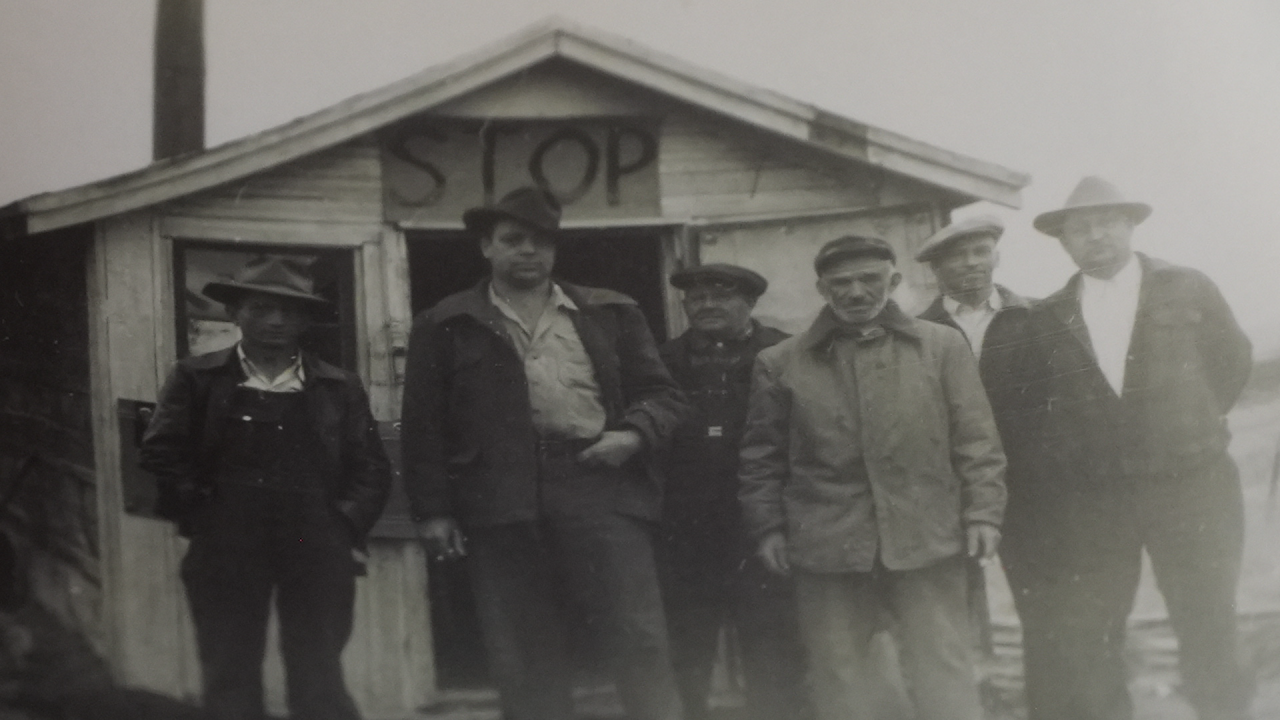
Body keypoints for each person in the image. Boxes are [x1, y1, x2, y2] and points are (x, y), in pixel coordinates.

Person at [400, 187, 690, 720]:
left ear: (555, 251)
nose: (528, 252)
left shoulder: (610, 311)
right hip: (498, 498)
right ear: (486, 247)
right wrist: (434, 510)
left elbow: (664, 395)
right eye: (513, 241)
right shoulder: (444, 323)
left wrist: (632, 436)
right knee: (522, 650)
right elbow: (423, 426)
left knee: (638, 636)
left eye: (541, 242)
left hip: (598, 486)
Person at [738, 235, 1006, 720]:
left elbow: (978, 441)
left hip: (928, 535)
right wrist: (768, 528)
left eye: (870, 280)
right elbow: (762, 458)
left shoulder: (941, 345)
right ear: (822, 288)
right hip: (827, 542)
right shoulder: (780, 362)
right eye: (841, 283)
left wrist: (984, 513)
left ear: (895, 282)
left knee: (942, 664)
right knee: (840, 672)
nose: (856, 293)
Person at [1022, 176, 1254, 720]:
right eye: (1079, 228)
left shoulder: (1187, 286)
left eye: (1106, 222)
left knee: (1208, 617)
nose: (1094, 235)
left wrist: (1186, 425)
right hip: (1099, 498)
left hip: (1193, 486)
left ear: (1129, 225)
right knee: (1097, 627)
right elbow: (1041, 404)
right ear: (1063, 242)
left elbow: (1232, 362)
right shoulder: (1048, 316)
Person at [140, 255, 392, 720]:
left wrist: (342, 526)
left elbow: (371, 466)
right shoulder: (196, 378)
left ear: (306, 319)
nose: (276, 321)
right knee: (229, 671)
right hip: (227, 542)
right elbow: (162, 451)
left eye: (290, 310)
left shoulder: (338, 385)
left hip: (315, 542)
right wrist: (204, 514)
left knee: (318, 672)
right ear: (234, 313)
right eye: (260, 308)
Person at [657, 264, 808, 720]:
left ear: (751, 303)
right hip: (686, 525)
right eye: (697, 299)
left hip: (763, 523)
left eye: (720, 298)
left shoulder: (785, 351)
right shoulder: (662, 360)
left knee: (772, 639)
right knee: (686, 642)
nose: (707, 307)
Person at [914, 215, 1041, 665]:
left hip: (1035, 489)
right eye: (956, 257)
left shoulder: (1038, 319)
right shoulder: (916, 336)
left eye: (980, 252)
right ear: (935, 270)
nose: (971, 264)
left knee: (1045, 605)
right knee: (955, 612)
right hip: (953, 493)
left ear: (996, 257)